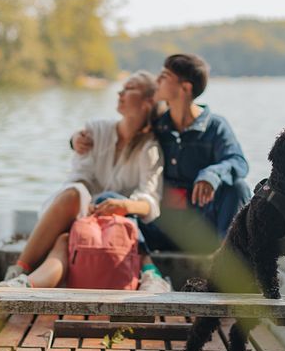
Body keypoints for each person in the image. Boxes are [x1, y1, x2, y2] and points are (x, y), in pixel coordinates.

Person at [2, 71, 170, 292]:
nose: (120, 92)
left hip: (120, 226)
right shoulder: (95, 131)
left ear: (148, 102)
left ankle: (24, 284)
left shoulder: (150, 148)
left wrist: (122, 206)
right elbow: (78, 177)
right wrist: (92, 210)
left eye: (129, 88)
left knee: (67, 239)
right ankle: (18, 274)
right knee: (74, 194)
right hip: (81, 216)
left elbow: (150, 200)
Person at [73, 54, 251, 252]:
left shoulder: (215, 126)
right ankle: (144, 261)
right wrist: (75, 140)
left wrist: (212, 175)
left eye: (164, 76)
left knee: (238, 188)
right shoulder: (157, 125)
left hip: (203, 227)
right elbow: (120, 131)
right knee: (107, 199)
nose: (157, 81)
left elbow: (238, 161)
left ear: (185, 88)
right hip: (159, 227)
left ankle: (228, 262)